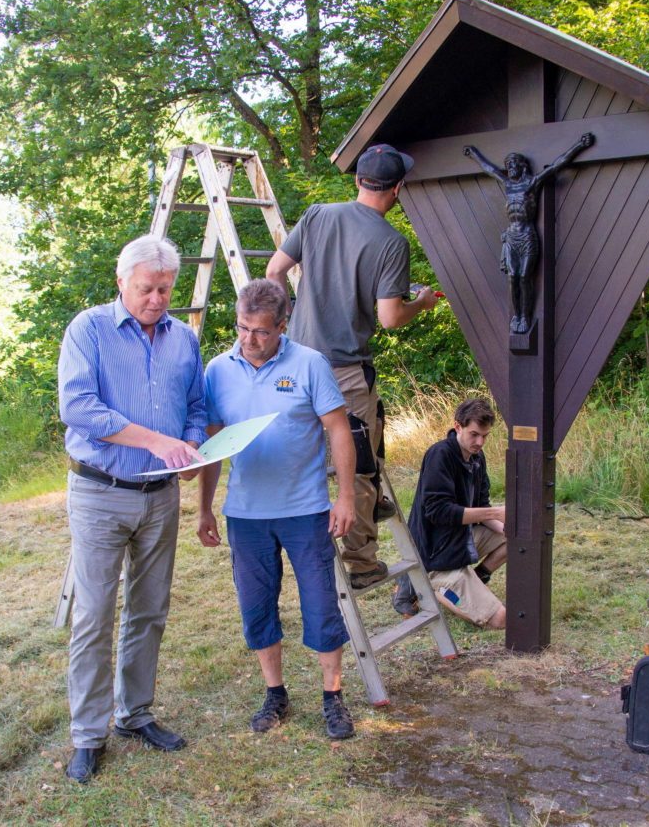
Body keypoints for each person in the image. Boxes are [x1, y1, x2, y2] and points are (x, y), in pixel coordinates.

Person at [58, 234, 207, 783]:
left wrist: (189, 448)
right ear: (121, 283)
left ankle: (134, 714)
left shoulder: (183, 339)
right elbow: (77, 406)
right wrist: (152, 441)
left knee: (149, 610)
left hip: (160, 496)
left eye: (165, 289)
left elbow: (195, 406)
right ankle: (87, 736)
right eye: (146, 289)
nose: (157, 299)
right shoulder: (89, 329)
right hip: (100, 492)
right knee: (94, 615)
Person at [266, 144, 439, 589]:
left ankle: (364, 510)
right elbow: (389, 317)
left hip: (295, 362)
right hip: (342, 371)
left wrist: (291, 321)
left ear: (359, 181)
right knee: (356, 465)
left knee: (330, 448)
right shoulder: (390, 243)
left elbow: (273, 272)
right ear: (397, 189)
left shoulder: (319, 214)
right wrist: (418, 303)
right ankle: (361, 563)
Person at [197, 279, 358, 739]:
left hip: (305, 510)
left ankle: (333, 697)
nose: (249, 339)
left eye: (261, 332)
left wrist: (345, 497)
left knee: (321, 606)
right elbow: (212, 445)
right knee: (256, 606)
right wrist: (204, 509)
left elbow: (339, 431)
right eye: (242, 328)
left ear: (283, 326)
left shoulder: (309, 365)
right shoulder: (218, 370)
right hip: (245, 514)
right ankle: (275, 694)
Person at [393, 398, 507, 629]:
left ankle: (477, 579)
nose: (480, 442)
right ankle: (433, 589)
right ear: (457, 426)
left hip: (461, 539)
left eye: (485, 436)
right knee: (500, 620)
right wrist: (495, 512)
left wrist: (508, 526)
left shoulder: (477, 457)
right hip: (437, 554)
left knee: (520, 538)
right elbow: (439, 511)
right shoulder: (440, 455)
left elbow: (481, 505)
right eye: (474, 434)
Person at [464, 133, 594, 334]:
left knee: (525, 276)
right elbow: (489, 169)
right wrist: (474, 155)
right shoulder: (507, 184)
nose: (510, 167)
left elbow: (557, 165)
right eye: (508, 164)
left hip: (527, 236)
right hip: (512, 236)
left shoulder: (532, 183)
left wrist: (579, 145)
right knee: (512, 278)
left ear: (522, 165)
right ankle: (517, 315)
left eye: (513, 163)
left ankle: (525, 316)